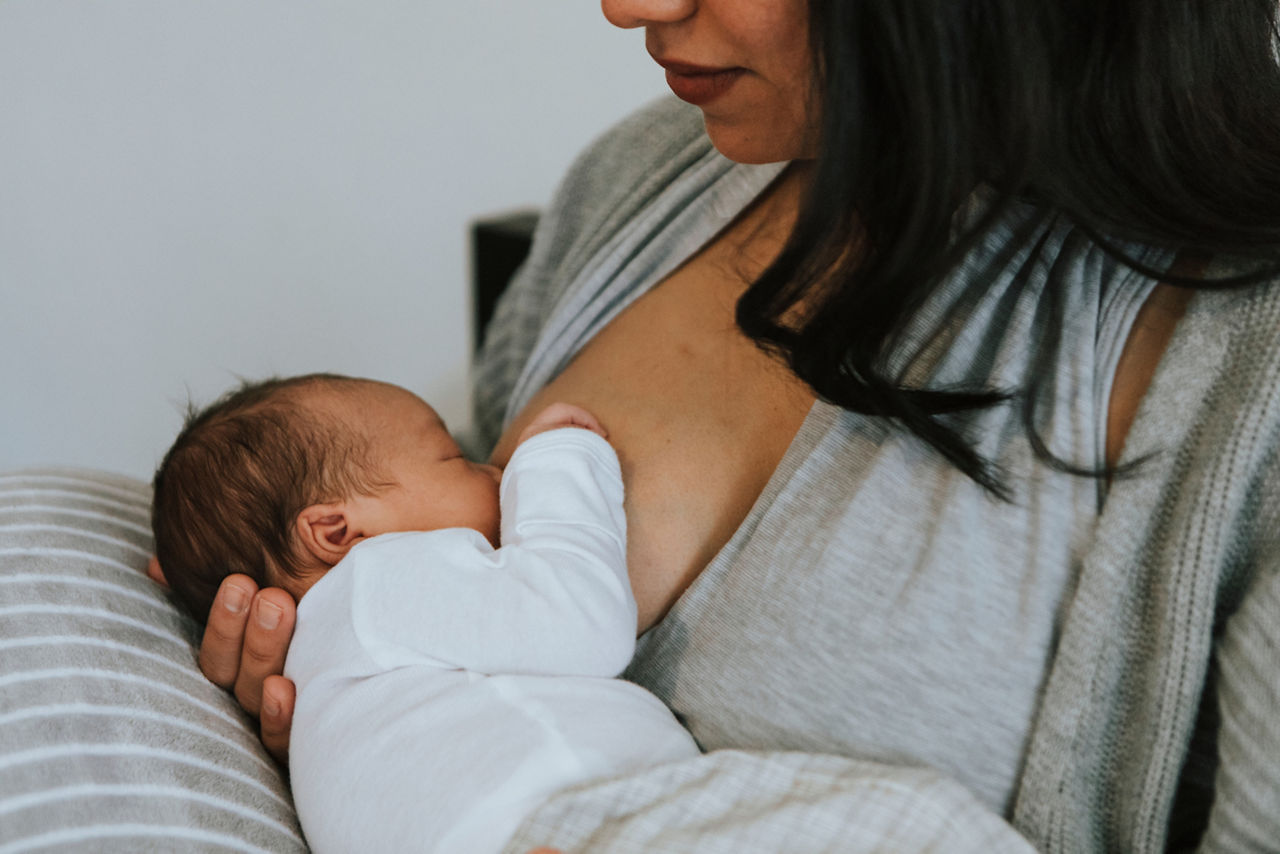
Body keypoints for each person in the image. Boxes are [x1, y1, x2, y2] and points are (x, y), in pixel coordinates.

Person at [189, 0, 1280, 850]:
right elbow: (455, 523)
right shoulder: (644, 172)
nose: (625, 9)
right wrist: (376, 731)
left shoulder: (1242, 364)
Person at [149, 374, 700, 853]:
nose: (494, 470)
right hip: (594, 817)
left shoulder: (326, 678)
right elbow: (583, 623)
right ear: (337, 532)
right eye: (456, 457)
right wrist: (559, 460)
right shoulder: (376, 579)